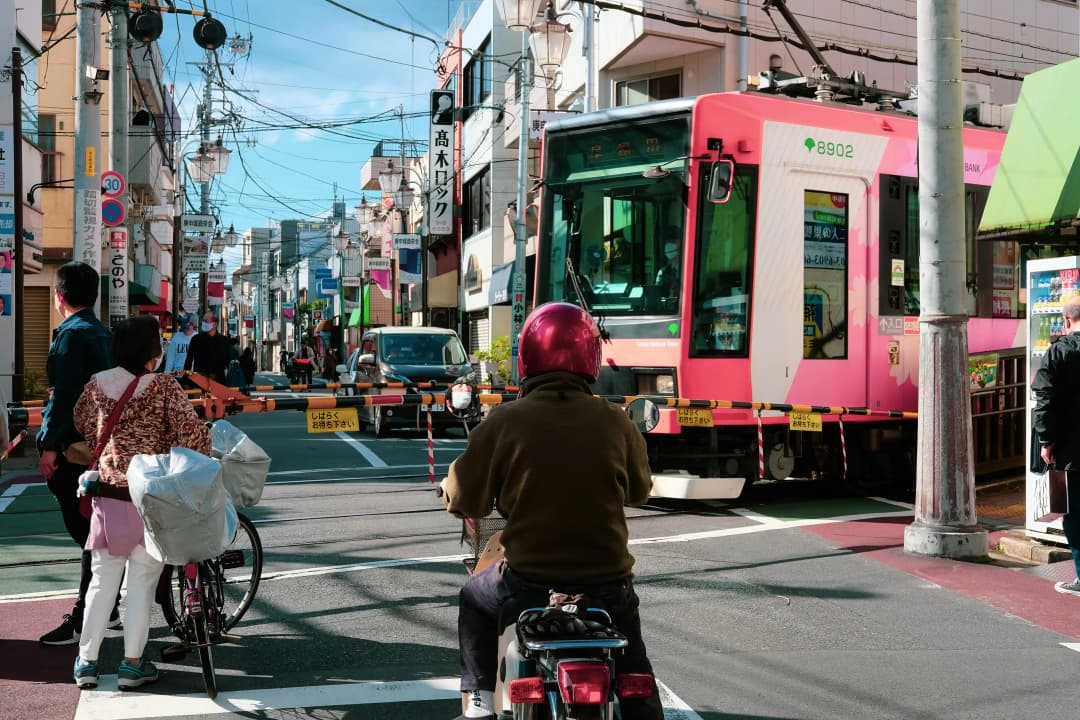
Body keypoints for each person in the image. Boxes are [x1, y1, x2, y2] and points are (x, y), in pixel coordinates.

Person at [439, 302, 663, 720]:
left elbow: (464, 499)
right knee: (636, 678)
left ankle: (478, 704)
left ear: (527, 358)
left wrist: (453, 491)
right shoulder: (616, 423)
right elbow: (639, 491)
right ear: (591, 358)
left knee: (473, 597)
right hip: (608, 586)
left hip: (528, 583)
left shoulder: (505, 421)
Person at [71, 316, 212, 690]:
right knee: (141, 584)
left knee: (101, 582)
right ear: (152, 350)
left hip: (108, 497)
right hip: (152, 500)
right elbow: (193, 436)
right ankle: (132, 665)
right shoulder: (164, 387)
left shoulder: (98, 384)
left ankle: (86, 662)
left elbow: (82, 421)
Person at [37, 262, 120, 647]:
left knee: (88, 532)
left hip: (76, 449)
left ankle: (87, 616)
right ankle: (109, 607)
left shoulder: (71, 336)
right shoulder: (105, 333)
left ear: (59, 296)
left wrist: (48, 445)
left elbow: (64, 397)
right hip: (108, 446)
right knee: (97, 530)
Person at [1033, 296, 1080, 597]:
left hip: (1071, 450)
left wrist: (1045, 440)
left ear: (1065, 321)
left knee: (1075, 514)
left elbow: (1045, 398)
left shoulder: (1058, 352)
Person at [184, 311, 230, 382]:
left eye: (205, 321)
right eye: (202, 321)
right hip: (199, 381)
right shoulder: (196, 339)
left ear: (215, 324)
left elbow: (227, 362)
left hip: (219, 383)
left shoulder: (224, 341)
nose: (203, 323)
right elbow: (188, 360)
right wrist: (186, 381)